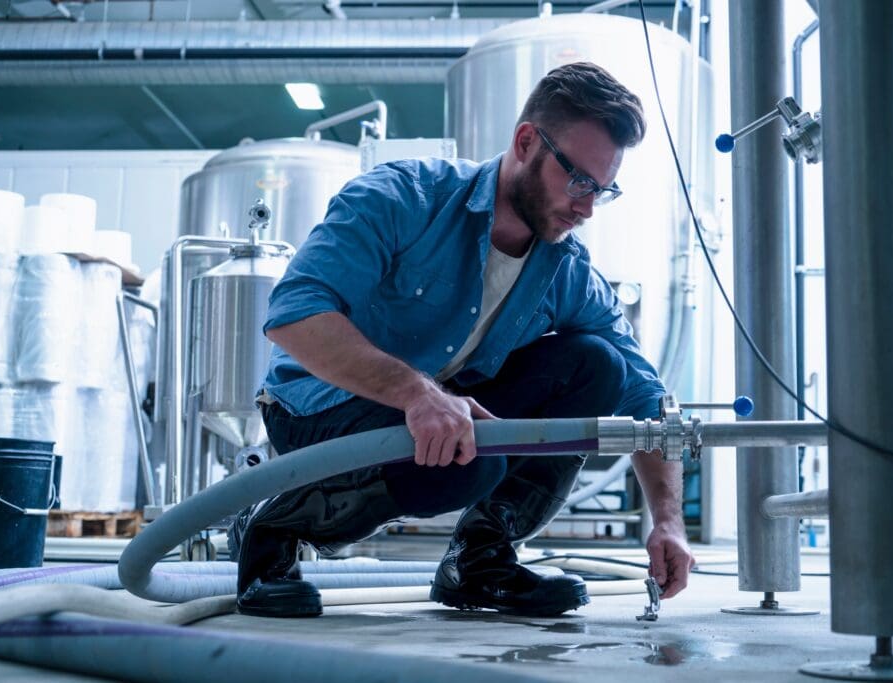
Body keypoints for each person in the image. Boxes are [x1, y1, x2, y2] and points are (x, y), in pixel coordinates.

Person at [228, 61, 696, 619]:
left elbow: (645, 395)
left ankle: (480, 562)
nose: (587, 207)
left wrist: (667, 519)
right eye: (577, 181)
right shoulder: (404, 196)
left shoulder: (564, 268)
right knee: (468, 457)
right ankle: (275, 526)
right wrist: (417, 394)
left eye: (603, 190)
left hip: (440, 408)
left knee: (597, 365)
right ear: (526, 142)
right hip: (315, 405)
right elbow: (294, 315)